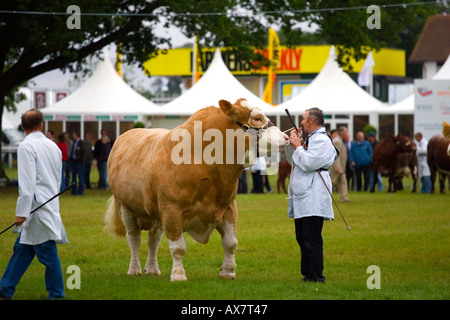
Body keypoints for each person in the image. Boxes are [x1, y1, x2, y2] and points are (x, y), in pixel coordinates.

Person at [0, 109, 68, 300]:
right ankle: (5, 289)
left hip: (36, 209)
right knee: (22, 249)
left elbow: (27, 184)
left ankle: (56, 294)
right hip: (48, 205)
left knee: (47, 253)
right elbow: (56, 179)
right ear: (41, 125)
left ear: (23, 127)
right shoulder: (53, 146)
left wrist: (22, 212)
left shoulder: (25, 146)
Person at [286, 107, 336, 283]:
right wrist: (293, 142)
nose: (301, 122)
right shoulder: (312, 138)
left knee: (311, 237)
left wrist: (298, 146)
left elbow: (308, 163)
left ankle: (316, 275)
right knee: (302, 236)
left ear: (312, 121)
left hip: (314, 193)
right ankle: (308, 273)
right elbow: (293, 159)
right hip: (304, 192)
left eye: (303, 119)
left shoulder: (321, 140)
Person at [329, 128, 350, 202]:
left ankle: (344, 198)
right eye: (346, 132)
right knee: (332, 182)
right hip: (337, 168)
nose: (348, 134)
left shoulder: (340, 140)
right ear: (342, 134)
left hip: (341, 167)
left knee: (343, 182)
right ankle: (320, 196)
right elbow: (336, 155)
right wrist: (337, 167)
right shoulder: (337, 141)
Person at [70, 131, 86, 195]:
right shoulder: (74, 142)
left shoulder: (81, 143)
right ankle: (73, 192)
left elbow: (84, 153)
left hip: (79, 163)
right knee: (73, 177)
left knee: (80, 177)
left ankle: (80, 192)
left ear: (76, 135)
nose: (73, 136)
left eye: (73, 135)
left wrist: (81, 160)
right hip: (74, 162)